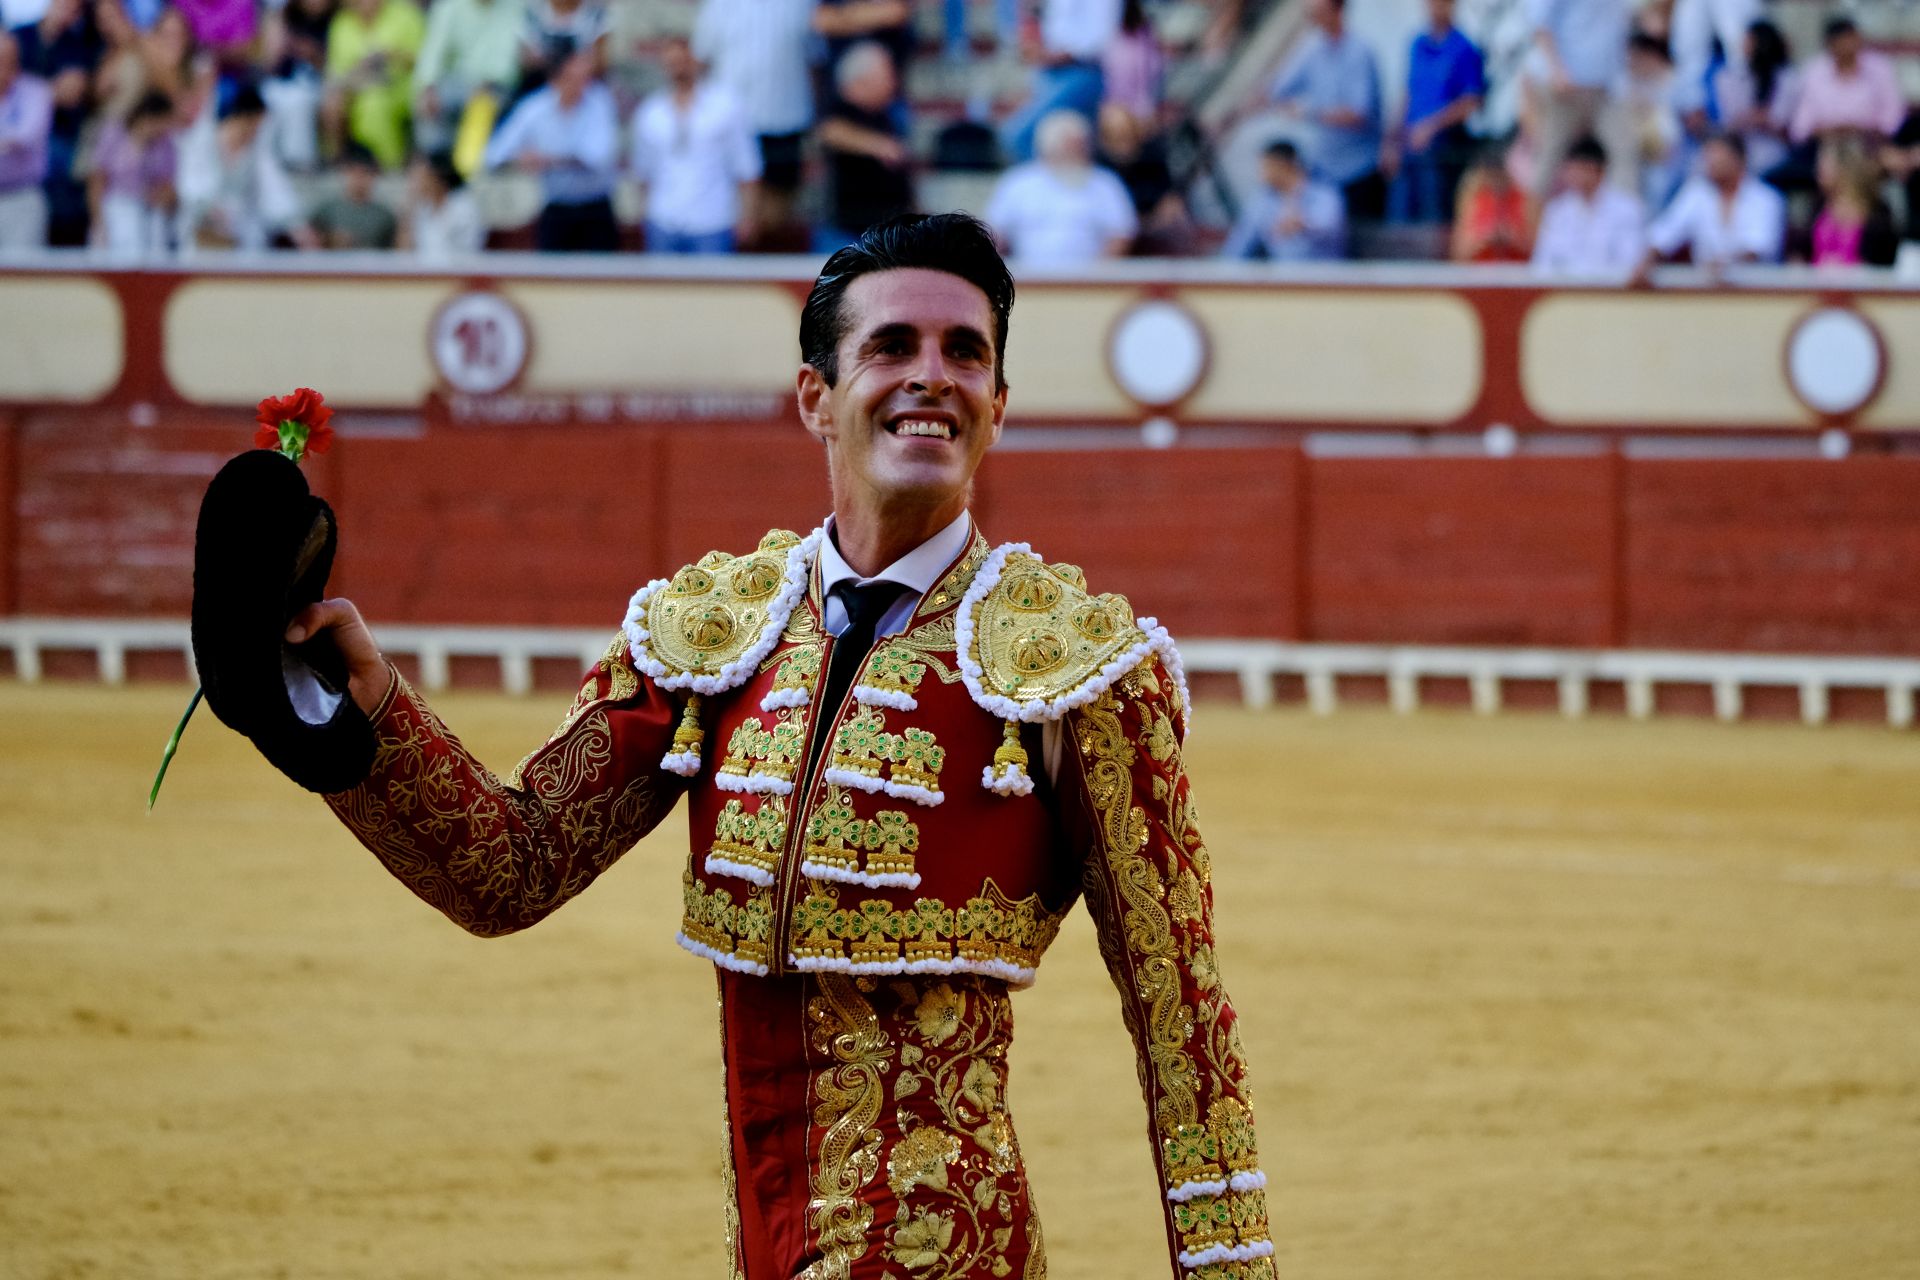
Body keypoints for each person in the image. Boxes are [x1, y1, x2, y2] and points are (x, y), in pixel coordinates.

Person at [269, 209, 1275, 1280]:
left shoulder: (1080, 668)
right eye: (891, 346)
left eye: (963, 353)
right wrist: (360, 694)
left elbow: (1184, 1024)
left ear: (997, 407)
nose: (931, 376)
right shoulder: (711, 631)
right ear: (816, 397)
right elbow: (508, 868)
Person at [691, 0, 813, 238]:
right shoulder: (718, 5)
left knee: (777, 212)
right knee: (734, 212)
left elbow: (814, 58)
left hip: (785, 118)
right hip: (732, 122)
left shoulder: (801, 4)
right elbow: (701, 59)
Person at [630, 34, 759, 254]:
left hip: (712, 221)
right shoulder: (651, 112)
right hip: (663, 220)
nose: (678, 68)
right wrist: (644, 216)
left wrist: (748, 216)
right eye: (672, 63)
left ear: (695, 61)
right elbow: (644, 173)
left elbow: (746, 166)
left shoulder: (726, 105)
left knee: (713, 288)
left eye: (683, 61)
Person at [481, 48, 617, 251]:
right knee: (551, 278)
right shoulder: (534, 108)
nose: (583, 83)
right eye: (574, 77)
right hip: (556, 210)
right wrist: (520, 160)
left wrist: (547, 160)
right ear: (557, 78)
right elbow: (493, 155)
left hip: (596, 210)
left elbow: (598, 157)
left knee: (600, 279)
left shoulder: (600, 102)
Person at [1267, 0, 1384, 220]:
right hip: (1324, 171)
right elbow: (1276, 90)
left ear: (1338, 10)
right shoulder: (1311, 51)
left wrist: (1309, 112)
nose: (1314, 18)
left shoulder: (1361, 52)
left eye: (1319, 11)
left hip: (1359, 171)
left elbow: (1358, 115)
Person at [984, 107, 1137, 263]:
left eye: (1081, 146)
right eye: (1069, 146)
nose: (1078, 152)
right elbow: (997, 235)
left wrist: (1098, 275)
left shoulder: (1106, 184)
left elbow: (1121, 236)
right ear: (1048, 147)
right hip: (1027, 280)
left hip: (1090, 280)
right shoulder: (1017, 183)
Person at [175, 83, 309, 250]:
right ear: (239, 117)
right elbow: (190, 186)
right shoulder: (202, 144)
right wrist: (209, 208)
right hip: (202, 233)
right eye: (252, 125)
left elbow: (274, 189)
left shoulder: (256, 152)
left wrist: (295, 225)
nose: (255, 132)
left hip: (240, 238)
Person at [1384, 0, 1484, 224]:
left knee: (1433, 217)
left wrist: (1431, 127)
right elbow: (1408, 92)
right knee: (1399, 217)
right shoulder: (1417, 43)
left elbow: (1471, 101)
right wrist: (1391, 139)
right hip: (1409, 146)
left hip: (1441, 151)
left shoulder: (1464, 48)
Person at [1638, 129, 1784, 278]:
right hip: (1707, 291)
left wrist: (1725, 265)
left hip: (1758, 291)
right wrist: (1648, 260)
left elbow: (1757, 249)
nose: (1710, 162)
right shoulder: (1697, 193)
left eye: (1716, 155)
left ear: (1738, 159)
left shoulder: (1765, 198)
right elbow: (1665, 234)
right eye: (1707, 156)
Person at [1523, 0, 1629, 200]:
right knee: (1550, 159)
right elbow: (1538, 21)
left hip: (1607, 86)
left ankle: (1623, 228)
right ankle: (1530, 229)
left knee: (1623, 155)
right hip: (1566, 86)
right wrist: (1556, 70)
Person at [815, 40, 913, 254]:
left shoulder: (886, 114)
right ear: (862, 80)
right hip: (846, 231)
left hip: (884, 233)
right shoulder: (839, 107)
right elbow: (829, 132)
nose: (893, 81)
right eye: (886, 74)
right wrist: (879, 146)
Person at [1000, 0, 1121, 163]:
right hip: (1050, 73)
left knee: (1021, 137)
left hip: (1082, 72)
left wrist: (1050, 55)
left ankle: (1052, 186)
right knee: (1065, 149)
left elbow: (1098, 41)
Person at [321, 0, 425, 169]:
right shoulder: (342, 23)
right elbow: (337, 72)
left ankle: (384, 165)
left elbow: (424, 60)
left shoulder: (406, 15)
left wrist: (393, 55)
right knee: (334, 102)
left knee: (374, 103)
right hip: (357, 86)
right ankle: (339, 162)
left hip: (402, 86)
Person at [410, 0, 523, 154]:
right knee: (426, 102)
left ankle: (470, 168)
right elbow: (433, 52)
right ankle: (433, 163)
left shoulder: (515, 6)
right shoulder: (449, 7)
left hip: (496, 84)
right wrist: (428, 88)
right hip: (458, 81)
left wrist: (487, 83)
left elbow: (507, 58)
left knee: (482, 103)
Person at [1530, 134, 1644, 278]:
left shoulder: (1627, 210)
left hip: (1610, 295)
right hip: (1564, 295)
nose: (1573, 175)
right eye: (1570, 169)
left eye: (1580, 169)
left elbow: (1630, 264)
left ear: (1598, 171)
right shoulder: (1557, 211)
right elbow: (1542, 265)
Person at [86, 86, 177, 255]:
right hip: (114, 207)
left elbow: (168, 187)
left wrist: (159, 197)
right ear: (148, 118)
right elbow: (97, 180)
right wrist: (99, 222)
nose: (163, 129)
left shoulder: (165, 144)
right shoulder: (114, 134)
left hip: (147, 213)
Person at [1788, 16, 1902, 149]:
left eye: (1852, 39)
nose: (1849, 46)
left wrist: (1861, 131)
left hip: (1869, 145)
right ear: (1830, 45)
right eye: (1843, 42)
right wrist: (1832, 132)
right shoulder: (1814, 72)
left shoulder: (1879, 67)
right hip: (1823, 146)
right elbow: (1800, 127)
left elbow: (1892, 116)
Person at [1221, 137, 1344, 261]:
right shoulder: (1262, 201)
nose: (1260, 173)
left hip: (1325, 274)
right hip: (1282, 275)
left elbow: (1327, 230)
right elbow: (1241, 243)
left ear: (1283, 165)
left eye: (1266, 166)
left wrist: (1302, 223)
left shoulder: (1325, 195)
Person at [1794, 132, 1896, 268]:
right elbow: (1800, 254)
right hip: (1817, 286)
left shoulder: (1877, 210)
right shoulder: (1818, 205)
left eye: (1824, 164)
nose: (1818, 171)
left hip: (1863, 286)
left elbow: (1883, 261)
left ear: (1845, 167)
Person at [1711, 18, 1794, 179]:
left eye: (1749, 40)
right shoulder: (1728, 78)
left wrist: (1762, 120)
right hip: (1738, 153)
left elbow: (1786, 126)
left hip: (1775, 157)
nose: (1744, 45)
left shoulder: (1787, 79)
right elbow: (1729, 121)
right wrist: (1754, 118)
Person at [0, 29, 53, 248]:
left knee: (20, 274)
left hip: (21, 197)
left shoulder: (36, 92)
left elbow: (23, 137)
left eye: (5, 59)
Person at [1450, 141, 1531, 262]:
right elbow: (1458, 253)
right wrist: (1483, 241)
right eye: (1491, 175)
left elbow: (1540, 249)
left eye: (1498, 175)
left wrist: (1511, 238)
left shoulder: (1524, 197)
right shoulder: (1473, 198)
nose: (1495, 183)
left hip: (1516, 273)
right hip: (1479, 273)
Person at [307, 140, 397, 247]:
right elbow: (309, 242)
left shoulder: (385, 216)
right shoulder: (326, 211)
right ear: (344, 172)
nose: (358, 179)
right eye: (353, 172)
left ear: (374, 175)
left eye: (365, 172)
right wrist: (329, 239)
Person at [398, 148, 484, 256]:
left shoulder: (463, 207)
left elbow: (461, 255)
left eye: (420, 176)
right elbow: (403, 256)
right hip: (427, 272)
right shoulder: (423, 209)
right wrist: (408, 211)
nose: (415, 183)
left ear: (437, 176)